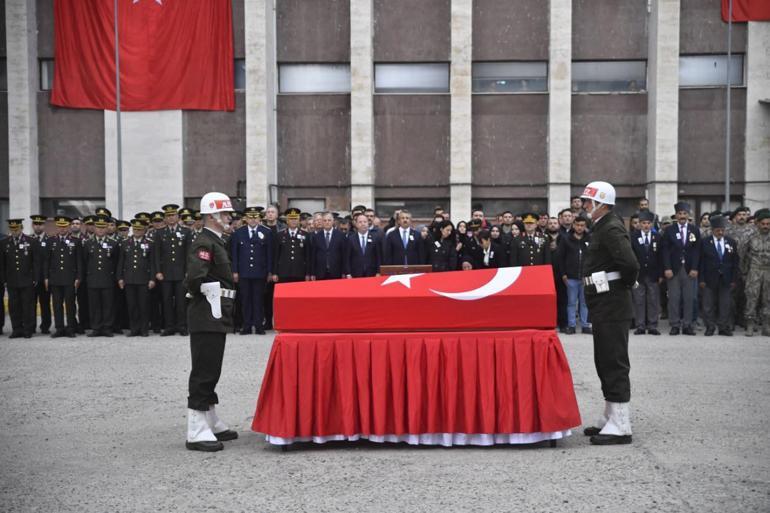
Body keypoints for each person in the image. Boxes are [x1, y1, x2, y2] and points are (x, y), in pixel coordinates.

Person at [579, 181, 639, 446]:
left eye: (588, 202)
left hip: (612, 302)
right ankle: (610, 416)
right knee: (603, 359)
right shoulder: (602, 226)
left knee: (613, 361)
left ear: (602, 203)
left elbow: (629, 264)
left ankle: (621, 425)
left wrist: (622, 285)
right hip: (604, 302)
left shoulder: (611, 227)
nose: (584, 206)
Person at [184, 192, 239, 452]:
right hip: (208, 312)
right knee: (205, 369)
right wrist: (213, 295)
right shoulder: (204, 242)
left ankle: (209, 417)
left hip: (216, 312)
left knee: (212, 367)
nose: (229, 217)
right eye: (225, 213)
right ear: (212, 215)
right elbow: (196, 278)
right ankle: (196, 428)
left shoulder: (216, 240)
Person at [231, 207, 272, 335]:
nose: (253, 220)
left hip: (260, 272)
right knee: (246, 300)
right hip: (244, 272)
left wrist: (270, 271)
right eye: (250, 217)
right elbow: (235, 254)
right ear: (246, 219)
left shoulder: (267, 232)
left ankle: (259, 325)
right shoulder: (239, 233)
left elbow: (269, 254)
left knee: (258, 300)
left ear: (259, 218)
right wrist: (235, 271)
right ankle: (247, 326)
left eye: (255, 217)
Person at [661, 202, 701, 335]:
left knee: (689, 298)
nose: (682, 216)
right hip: (673, 269)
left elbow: (697, 251)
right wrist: (667, 268)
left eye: (684, 213)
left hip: (689, 269)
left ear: (688, 215)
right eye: (680, 214)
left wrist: (695, 267)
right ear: (676, 215)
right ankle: (675, 324)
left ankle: (687, 324)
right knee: (674, 297)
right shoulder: (669, 230)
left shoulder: (694, 230)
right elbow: (665, 251)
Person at [698, 215, 739, 337]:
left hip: (726, 278)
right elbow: (701, 262)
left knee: (725, 304)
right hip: (709, 278)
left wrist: (733, 279)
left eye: (722, 230)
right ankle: (710, 326)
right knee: (708, 304)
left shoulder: (731, 242)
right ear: (712, 230)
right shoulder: (705, 242)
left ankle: (723, 327)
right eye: (718, 230)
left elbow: (735, 262)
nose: (720, 232)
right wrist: (701, 279)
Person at [153, 204, 190, 336]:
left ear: (178, 217)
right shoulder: (159, 232)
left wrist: (188, 271)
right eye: (168, 216)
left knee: (181, 301)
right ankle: (169, 327)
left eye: (173, 215)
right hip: (165, 273)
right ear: (165, 218)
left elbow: (188, 253)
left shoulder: (186, 232)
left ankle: (182, 326)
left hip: (181, 273)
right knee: (166, 300)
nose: (171, 218)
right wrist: (158, 271)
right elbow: (156, 254)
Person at [1, 219, 41, 338]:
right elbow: (2, 264)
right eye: (12, 229)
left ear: (21, 228)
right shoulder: (4, 243)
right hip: (12, 280)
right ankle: (16, 329)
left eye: (17, 229)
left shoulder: (31, 241)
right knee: (13, 306)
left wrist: (35, 277)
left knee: (27, 305)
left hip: (27, 279)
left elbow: (36, 262)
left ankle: (27, 329)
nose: (14, 231)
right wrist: (4, 279)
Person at [44, 216, 82, 338]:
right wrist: (46, 277)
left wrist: (78, 277)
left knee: (70, 304)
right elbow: (47, 261)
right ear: (57, 227)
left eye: (64, 226)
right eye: (60, 226)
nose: (62, 228)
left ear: (68, 227)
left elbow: (79, 262)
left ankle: (71, 328)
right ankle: (59, 328)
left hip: (70, 279)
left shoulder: (76, 241)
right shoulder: (51, 241)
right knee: (56, 304)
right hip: (55, 279)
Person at [117, 219, 155, 337]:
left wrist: (152, 278)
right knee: (132, 305)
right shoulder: (125, 243)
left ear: (144, 230)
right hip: (129, 279)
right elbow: (121, 262)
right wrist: (120, 278)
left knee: (143, 305)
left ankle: (144, 329)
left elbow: (152, 263)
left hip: (144, 279)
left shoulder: (149, 243)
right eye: (135, 229)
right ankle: (134, 329)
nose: (137, 231)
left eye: (140, 229)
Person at [83, 216, 119, 337]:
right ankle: (96, 328)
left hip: (108, 279)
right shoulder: (88, 243)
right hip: (93, 279)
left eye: (103, 227)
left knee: (108, 304)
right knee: (94, 305)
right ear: (94, 228)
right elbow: (85, 261)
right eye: (98, 227)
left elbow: (116, 262)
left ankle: (107, 327)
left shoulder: (113, 243)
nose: (101, 230)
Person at [630, 210, 663, 335]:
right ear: (639, 224)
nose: (646, 225)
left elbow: (661, 256)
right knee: (639, 300)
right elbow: (631, 256)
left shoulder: (658, 237)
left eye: (648, 223)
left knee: (653, 300)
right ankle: (640, 325)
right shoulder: (634, 237)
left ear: (652, 224)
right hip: (639, 274)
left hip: (653, 273)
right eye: (643, 223)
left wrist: (660, 274)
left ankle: (653, 325)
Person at [558, 215, 591, 334]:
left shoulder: (589, 239)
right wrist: (563, 274)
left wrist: (589, 273)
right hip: (570, 276)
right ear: (573, 225)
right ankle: (571, 325)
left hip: (585, 277)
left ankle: (585, 325)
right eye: (577, 225)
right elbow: (560, 258)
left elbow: (593, 258)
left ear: (585, 226)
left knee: (584, 302)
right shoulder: (566, 239)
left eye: (582, 225)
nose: (580, 228)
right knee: (571, 302)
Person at [741, 210, 770, 337]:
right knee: (751, 298)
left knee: (768, 299)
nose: (765, 226)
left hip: (768, 271)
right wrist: (743, 272)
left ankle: (766, 326)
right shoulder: (750, 236)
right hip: (754, 271)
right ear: (758, 223)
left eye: (768, 224)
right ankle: (750, 326)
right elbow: (742, 255)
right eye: (763, 224)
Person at [272, 208, 311, 284]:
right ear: (287, 220)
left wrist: (307, 273)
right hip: (283, 272)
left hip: (300, 272)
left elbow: (308, 256)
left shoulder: (306, 235)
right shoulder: (279, 235)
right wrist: (275, 272)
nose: (293, 221)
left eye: (295, 219)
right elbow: (276, 255)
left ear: (299, 220)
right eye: (291, 219)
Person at [29, 214, 52, 334]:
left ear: (44, 225)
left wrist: (48, 277)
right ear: (33, 225)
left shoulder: (49, 240)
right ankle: (31, 326)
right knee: (31, 304)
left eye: (40, 224)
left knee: (45, 303)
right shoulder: (28, 240)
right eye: (36, 224)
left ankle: (45, 326)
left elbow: (50, 260)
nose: (38, 227)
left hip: (45, 279)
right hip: (31, 278)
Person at [311, 211, 346, 280]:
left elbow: (344, 255)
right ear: (322, 222)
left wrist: (344, 272)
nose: (327, 222)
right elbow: (313, 256)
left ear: (333, 222)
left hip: (336, 272)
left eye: (329, 220)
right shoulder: (316, 236)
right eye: (325, 220)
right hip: (320, 273)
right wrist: (313, 273)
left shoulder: (340, 236)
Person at [344, 212, 381, 278]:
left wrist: (378, 272)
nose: (363, 224)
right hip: (355, 273)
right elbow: (347, 258)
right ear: (356, 224)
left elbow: (378, 256)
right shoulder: (350, 239)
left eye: (365, 222)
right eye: (360, 222)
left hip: (372, 273)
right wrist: (348, 273)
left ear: (368, 223)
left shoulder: (375, 237)